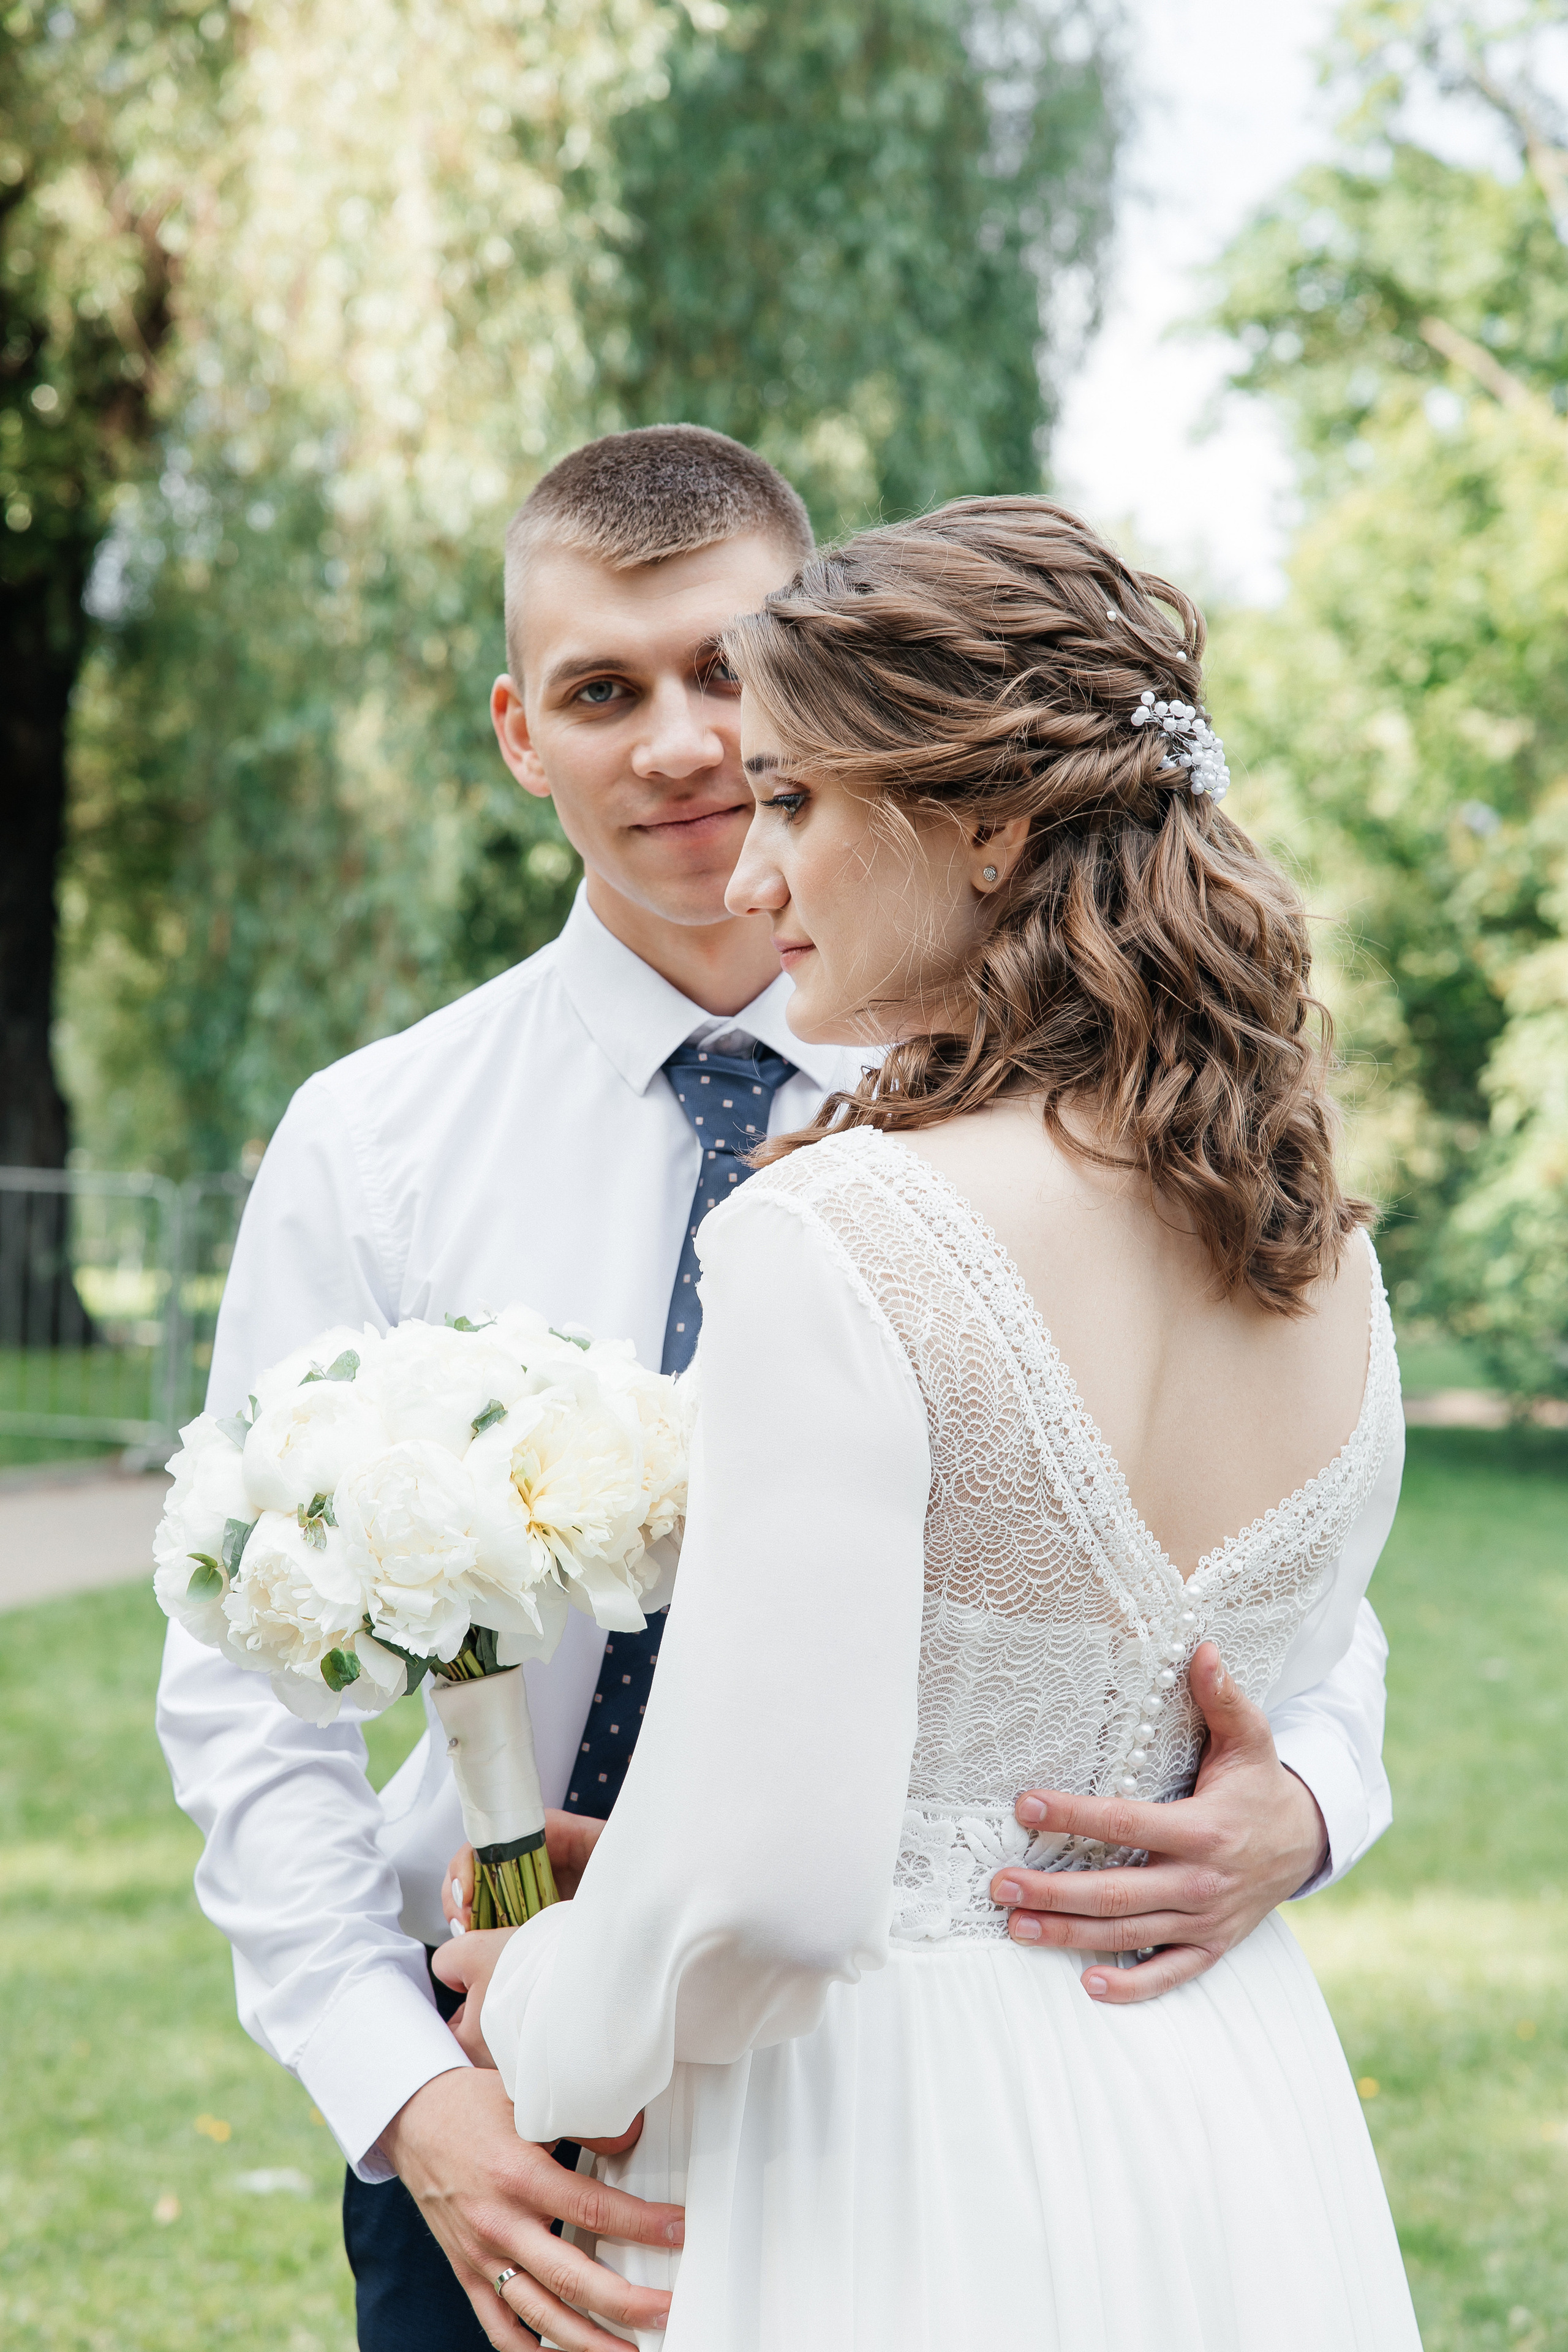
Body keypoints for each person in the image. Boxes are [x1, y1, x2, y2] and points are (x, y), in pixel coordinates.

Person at [156, 435, 1395, 2352]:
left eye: (742, 692)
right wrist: (411, 2091)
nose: (694, 760)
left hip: (899, 2101)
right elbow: (252, 1698)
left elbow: (1236, 1595)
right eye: (603, 691)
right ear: (518, 733)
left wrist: (1303, 1800)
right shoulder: (379, 1138)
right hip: (516, 2112)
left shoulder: (1071, 1171)